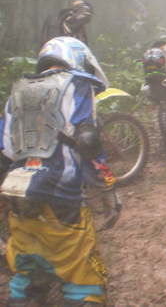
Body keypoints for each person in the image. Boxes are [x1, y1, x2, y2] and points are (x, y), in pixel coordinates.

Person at [0, 37, 119, 306]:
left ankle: (26, 296)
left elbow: (5, 149)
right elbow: (87, 140)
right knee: (83, 272)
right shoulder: (77, 83)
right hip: (62, 192)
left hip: (18, 191)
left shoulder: (18, 89)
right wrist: (107, 185)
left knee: (28, 261)